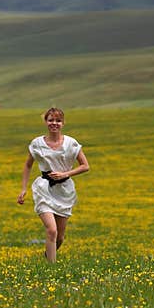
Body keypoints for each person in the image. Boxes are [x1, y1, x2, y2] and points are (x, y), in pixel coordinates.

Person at [17, 107, 90, 262]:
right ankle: (51, 269)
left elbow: (85, 166)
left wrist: (65, 174)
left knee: (60, 237)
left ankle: (46, 257)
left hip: (64, 191)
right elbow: (28, 165)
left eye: (58, 120)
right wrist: (23, 188)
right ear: (46, 122)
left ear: (63, 123)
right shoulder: (37, 143)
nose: (54, 123)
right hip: (44, 189)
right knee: (52, 230)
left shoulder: (71, 143)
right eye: (51, 120)